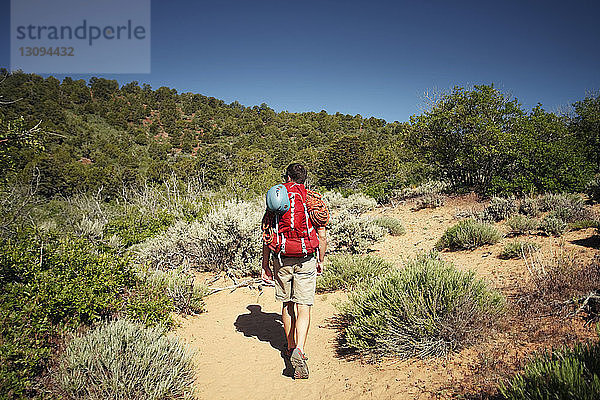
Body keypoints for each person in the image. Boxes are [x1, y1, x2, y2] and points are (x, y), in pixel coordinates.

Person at [261, 163, 329, 379]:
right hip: (307, 258)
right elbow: (322, 235)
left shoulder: (275, 198)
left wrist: (265, 265)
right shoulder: (312, 199)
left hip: (282, 259)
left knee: (287, 303)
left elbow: (267, 234)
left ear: (287, 177)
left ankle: (290, 347)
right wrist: (320, 259)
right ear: (304, 180)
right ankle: (300, 349)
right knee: (304, 306)